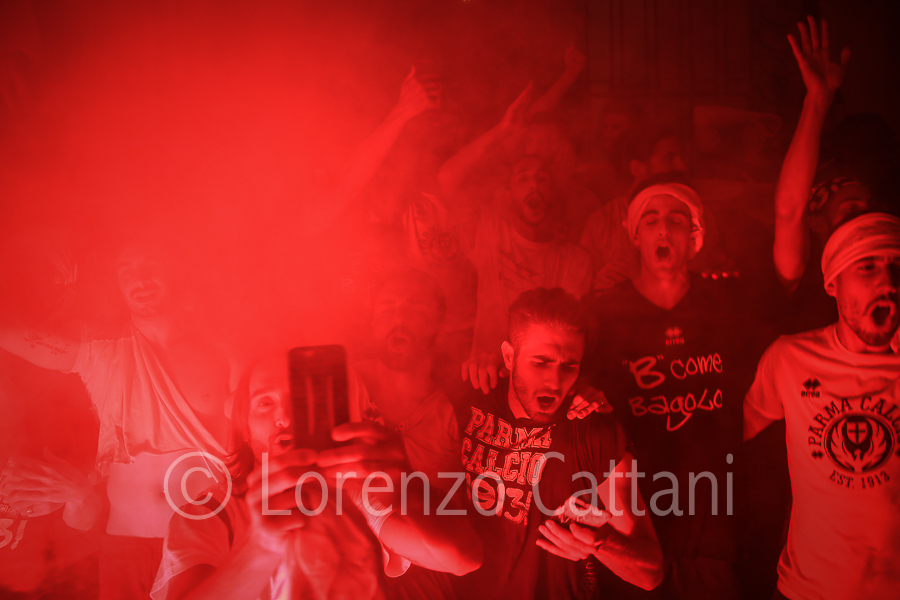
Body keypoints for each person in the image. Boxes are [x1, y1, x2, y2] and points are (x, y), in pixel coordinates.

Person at [0, 236, 235, 600]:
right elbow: (25, 339)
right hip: (124, 545)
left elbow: (257, 435)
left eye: (150, 267)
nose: (139, 280)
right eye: (126, 272)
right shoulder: (101, 351)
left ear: (177, 272)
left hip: (204, 544)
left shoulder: (225, 349)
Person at [152, 354, 483, 600]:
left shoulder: (352, 499)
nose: (285, 416)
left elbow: (463, 559)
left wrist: (408, 488)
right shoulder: (211, 514)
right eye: (265, 403)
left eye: (299, 402)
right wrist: (261, 549)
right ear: (244, 429)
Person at [583, 175, 768, 599]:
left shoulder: (726, 302)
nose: (663, 229)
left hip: (715, 519)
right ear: (635, 236)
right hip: (636, 519)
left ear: (694, 234)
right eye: (650, 220)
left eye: (676, 220)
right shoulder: (604, 313)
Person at [454, 287, 664, 600]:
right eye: (540, 362)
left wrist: (601, 543)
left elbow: (650, 572)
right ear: (509, 356)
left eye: (569, 366)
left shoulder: (594, 433)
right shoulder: (469, 398)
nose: (555, 381)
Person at [744, 212, 900, 599]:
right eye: (867, 266)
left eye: (897, 267)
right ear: (833, 282)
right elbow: (725, 432)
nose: (888, 282)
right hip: (808, 591)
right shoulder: (790, 359)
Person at [437, 85, 593, 384]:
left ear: (552, 192)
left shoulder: (575, 260)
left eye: (542, 179)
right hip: (485, 380)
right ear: (508, 196)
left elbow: (564, 330)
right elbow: (447, 178)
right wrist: (501, 130)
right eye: (523, 179)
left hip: (543, 385)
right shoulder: (489, 231)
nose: (534, 185)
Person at [773, 17, 877, 333]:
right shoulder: (804, 270)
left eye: (867, 207)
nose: (863, 216)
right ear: (817, 223)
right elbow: (790, 211)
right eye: (851, 209)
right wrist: (817, 100)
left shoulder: (888, 261)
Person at [579, 126, 687, 291]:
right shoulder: (601, 223)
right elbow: (582, 290)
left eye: (680, 157)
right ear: (637, 168)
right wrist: (601, 285)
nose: (682, 166)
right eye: (669, 158)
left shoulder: (695, 217)